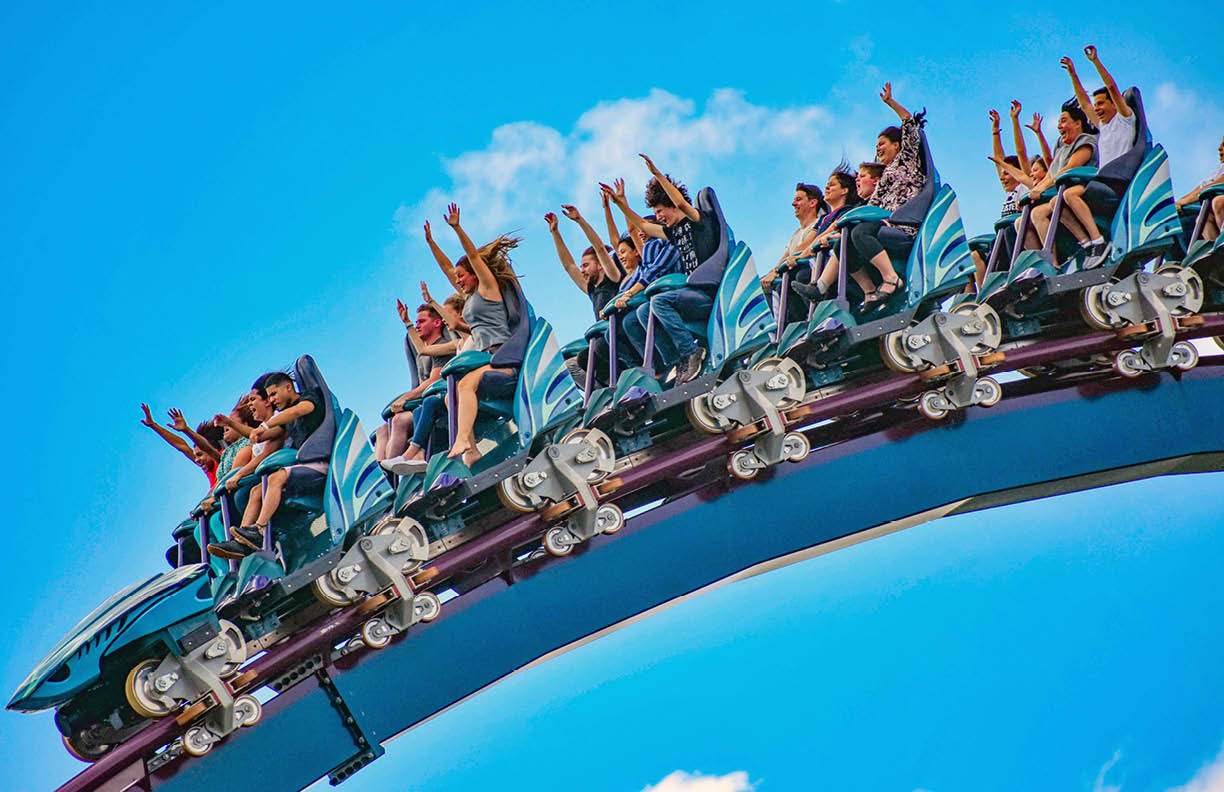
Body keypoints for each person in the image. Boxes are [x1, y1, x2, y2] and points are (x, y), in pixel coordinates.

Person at [601, 157, 721, 383]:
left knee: (659, 302)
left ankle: (691, 352)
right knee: (644, 312)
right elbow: (642, 226)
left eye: (659, 211)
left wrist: (657, 174)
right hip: (690, 296)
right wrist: (620, 205)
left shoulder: (697, 221)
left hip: (708, 295)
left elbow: (683, 204)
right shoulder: (673, 233)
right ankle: (676, 361)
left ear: (673, 206)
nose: (658, 218)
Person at [423, 204, 523, 467]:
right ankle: (472, 450)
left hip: (503, 362)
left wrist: (457, 228)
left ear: (476, 276)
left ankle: (464, 439)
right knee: (449, 396)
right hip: (485, 360)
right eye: (456, 278)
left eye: (462, 276)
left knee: (465, 385)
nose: (458, 281)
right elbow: (448, 269)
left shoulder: (489, 289)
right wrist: (432, 244)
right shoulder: (470, 300)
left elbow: (474, 259)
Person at [822, 83, 926, 310]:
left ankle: (891, 279)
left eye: (882, 144)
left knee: (861, 231)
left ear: (897, 145)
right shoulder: (885, 176)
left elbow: (909, 125)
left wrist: (891, 103)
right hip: (882, 226)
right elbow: (874, 205)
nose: (877, 149)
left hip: (903, 227)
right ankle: (869, 292)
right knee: (844, 245)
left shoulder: (908, 160)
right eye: (876, 145)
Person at [210, 372, 328, 558]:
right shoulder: (286, 420)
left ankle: (260, 529)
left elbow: (299, 410)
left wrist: (265, 426)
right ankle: (242, 542)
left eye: (273, 394)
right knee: (256, 491)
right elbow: (260, 435)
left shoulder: (308, 397)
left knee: (276, 478)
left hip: (321, 464)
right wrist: (233, 424)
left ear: (288, 387)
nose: (272, 400)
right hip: (303, 467)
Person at [1056, 46, 1136, 255]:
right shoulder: (1103, 127)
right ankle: (1086, 243)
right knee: (1058, 201)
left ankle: (1098, 241)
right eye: (1096, 105)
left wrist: (1095, 62)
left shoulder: (1125, 120)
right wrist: (1073, 74)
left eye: (1101, 103)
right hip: (1102, 182)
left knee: (1071, 194)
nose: (1097, 108)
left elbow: (1111, 86)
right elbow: (1083, 103)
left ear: (1114, 102)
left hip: (1117, 184)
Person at [375, 300, 455, 463]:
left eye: (422, 321)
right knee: (382, 430)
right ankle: (381, 477)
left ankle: (394, 469)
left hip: (440, 401)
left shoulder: (442, 346)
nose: (417, 326)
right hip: (424, 403)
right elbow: (421, 383)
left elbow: (433, 381)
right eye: (416, 322)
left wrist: (405, 398)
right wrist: (406, 321)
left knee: (399, 421)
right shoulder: (423, 355)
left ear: (437, 323)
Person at [1019, 98, 1098, 257]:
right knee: (1028, 218)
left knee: (1054, 203)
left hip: (1085, 188)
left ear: (1077, 123)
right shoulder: (1061, 147)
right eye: (1058, 122)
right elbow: (1051, 172)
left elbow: (1070, 168)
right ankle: (1049, 263)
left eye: (1064, 121)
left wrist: (1042, 187)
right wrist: (1036, 189)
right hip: (1061, 193)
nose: (1059, 126)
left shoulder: (1086, 141)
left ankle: (1092, 241)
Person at [791, 165, 864, 302]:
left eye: (832, 185)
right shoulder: (823, 219)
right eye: (827, 184)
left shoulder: (846, 211)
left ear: (844, 191)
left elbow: (832, 230)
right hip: (817, 261)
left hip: (837, 263)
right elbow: (812, 239)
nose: (827, 188)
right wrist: (798, 255)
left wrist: (803, 253)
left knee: (802, 276)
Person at [760, 183, 829, 322]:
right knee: (764, 288)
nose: (793, 204)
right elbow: (786, 255)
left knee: (786, 285)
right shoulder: (796, 233)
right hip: (789, 273)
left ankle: (798, 324)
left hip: (809, 268)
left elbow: (807, 244)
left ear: (812, 202)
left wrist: (779, 270)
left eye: (799, 199)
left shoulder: (818, 224)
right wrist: (773, 272)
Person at [140, 404, 222, 485]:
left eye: (199, 454)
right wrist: (153, 425)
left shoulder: (224, 457)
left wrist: (186, 430)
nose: (196, 460)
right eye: (196, 456)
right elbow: (182, 446)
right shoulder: (210, 469)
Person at [1175, 134, 1224, 242]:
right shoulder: (1219, 170)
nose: (1219, 148)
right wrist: (1179, 203)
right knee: (1202, 219)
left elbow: (1214, 185)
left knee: (1219, 202)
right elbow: (1201, 188)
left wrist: (1183, 202)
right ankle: (1217, 252)